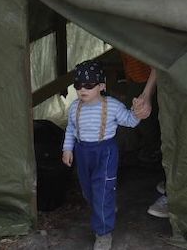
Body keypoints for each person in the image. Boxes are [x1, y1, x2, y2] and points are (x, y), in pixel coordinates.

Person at [62, 60, 147, 250]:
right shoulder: (75, 107)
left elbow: (130, 121)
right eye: (78, 85)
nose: (82, 89)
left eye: (89, 85)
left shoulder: (113, 106)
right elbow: (70, 129)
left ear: (101, 86)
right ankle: (105, 207)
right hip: (82, 152)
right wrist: (67, 149)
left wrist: (137, 111)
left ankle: (103, 232)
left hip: (105, 153)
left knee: (102, 190)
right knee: (88, 190)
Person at [126, 57, 170, 219]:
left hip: (161, 77)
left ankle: (173, 193)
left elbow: (161, 55)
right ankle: (169, 183)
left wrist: (146, 92)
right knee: (160, 131)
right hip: (145, 76)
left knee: (170, 134)